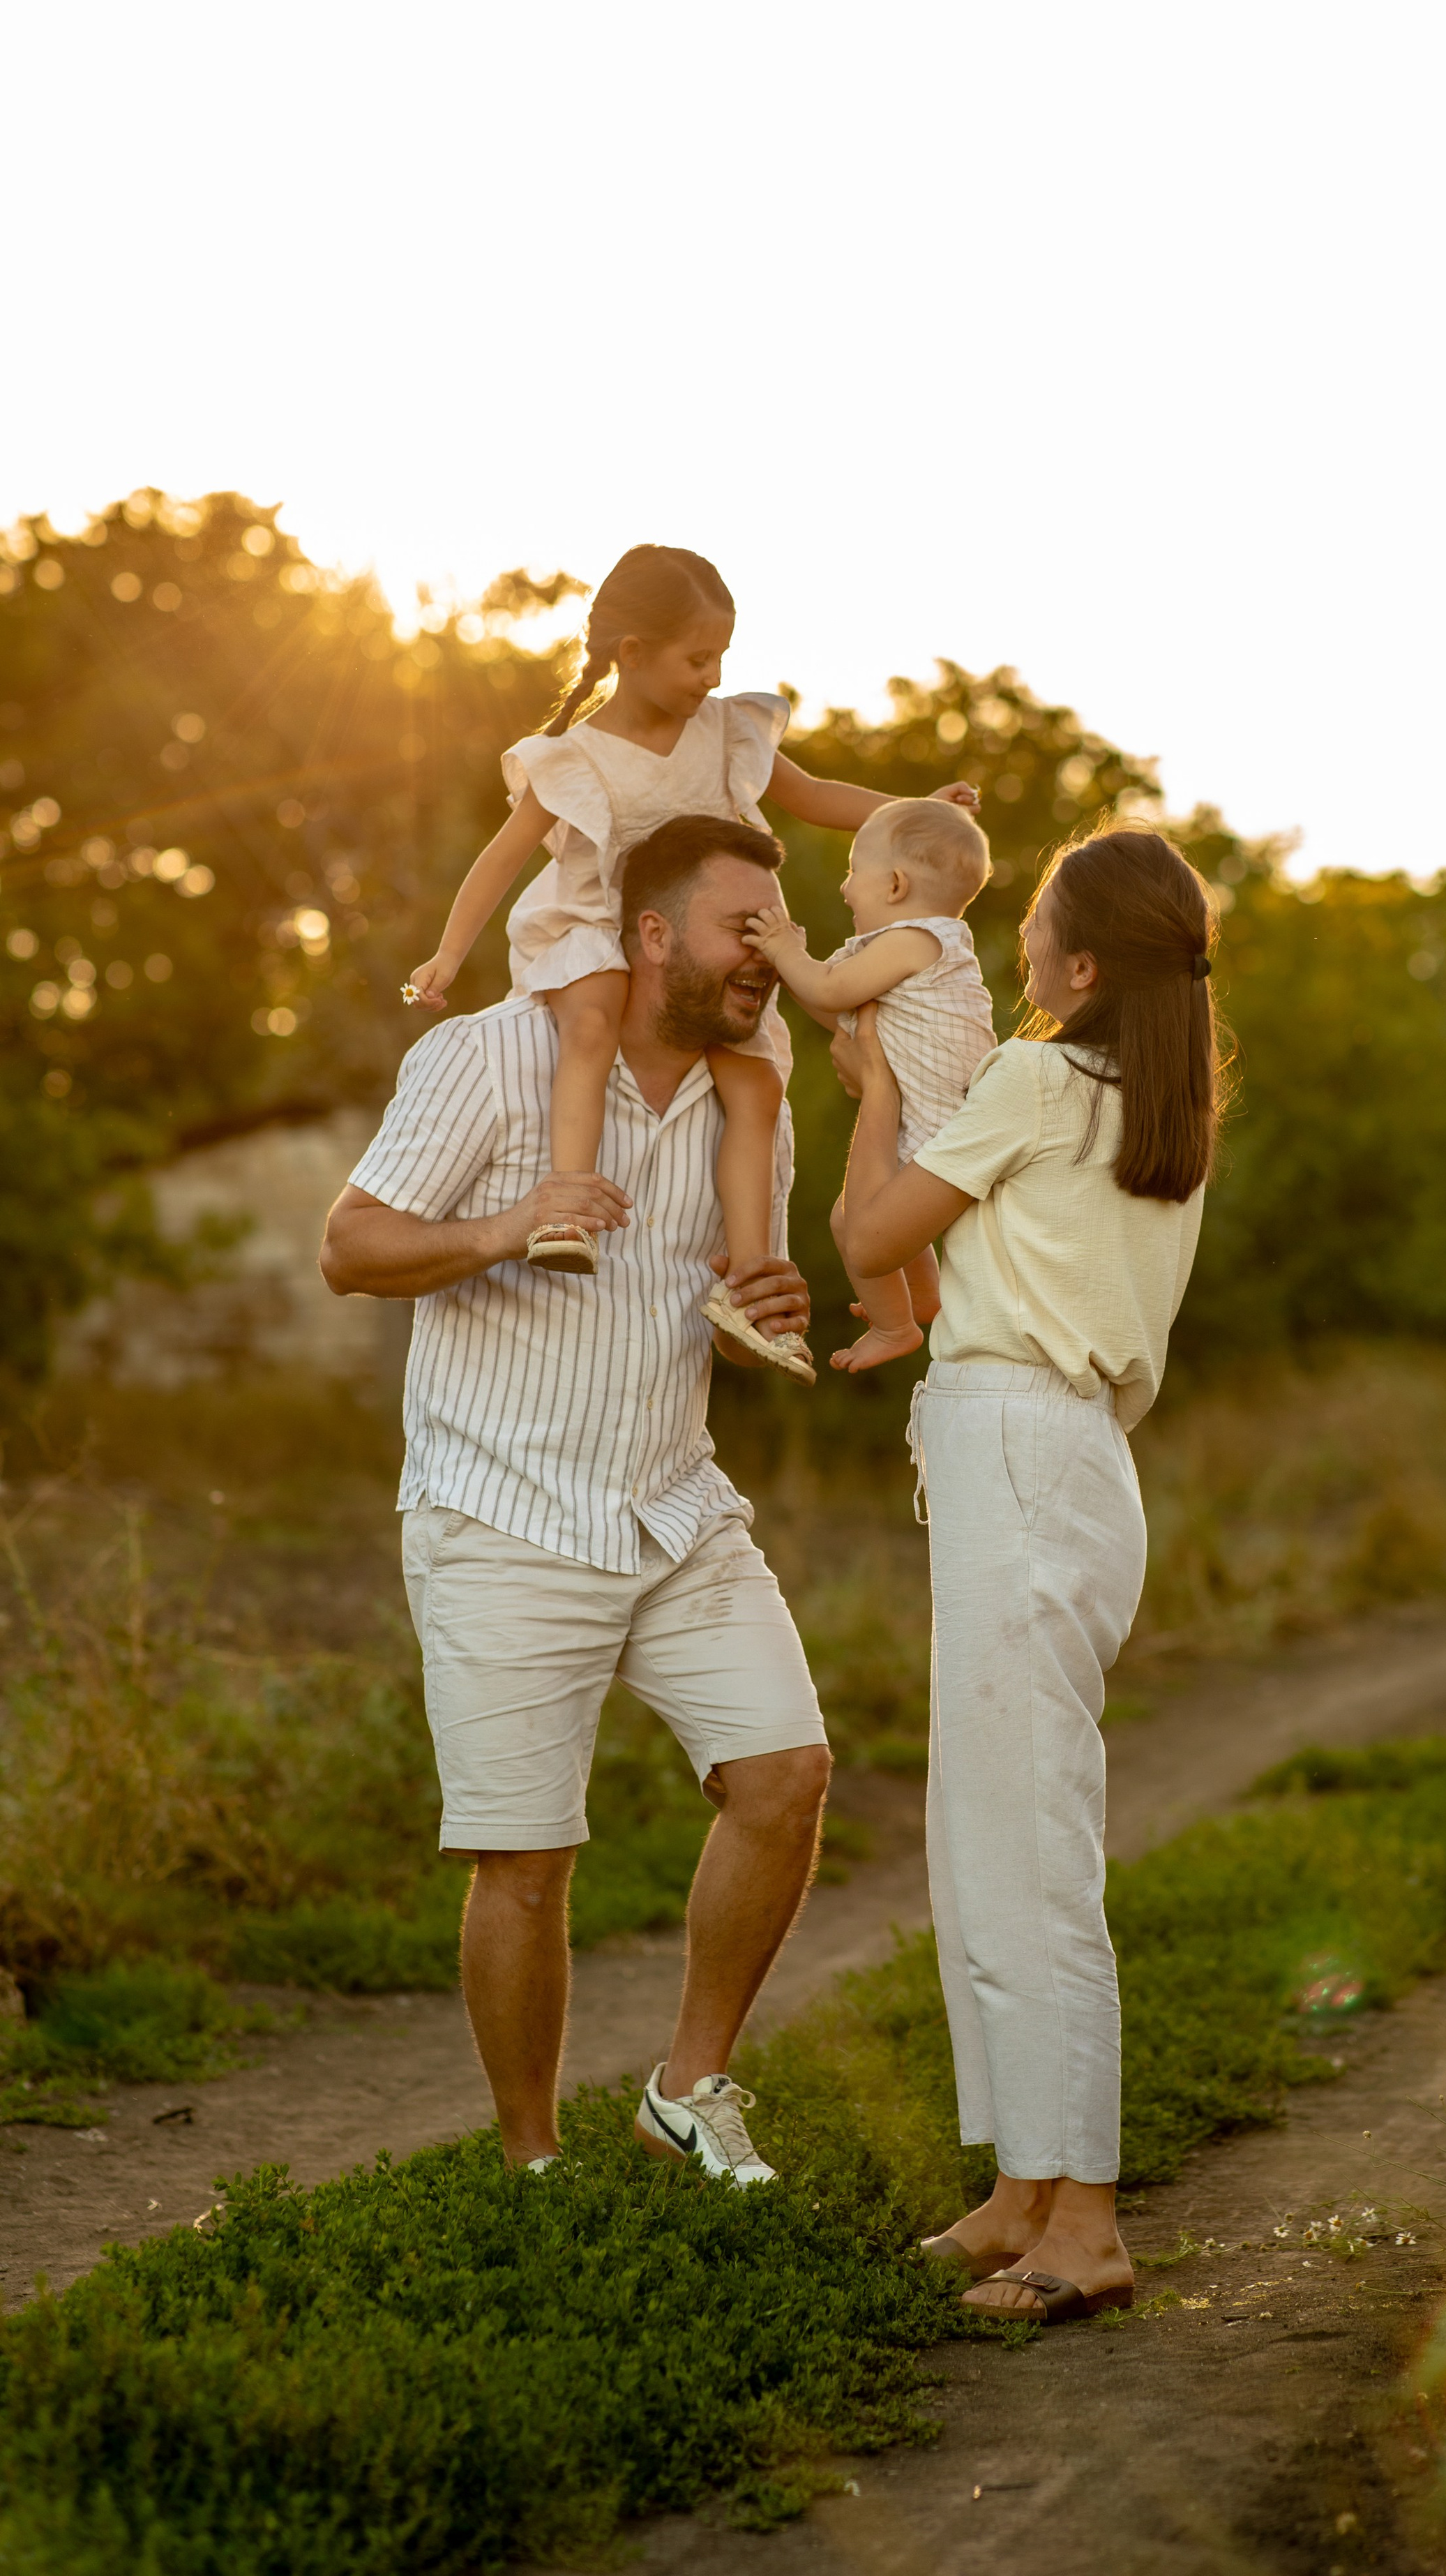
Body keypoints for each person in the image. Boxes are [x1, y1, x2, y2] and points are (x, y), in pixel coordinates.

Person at [321, 814, 836, 2183]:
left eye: (777, 936)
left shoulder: (753, 1086)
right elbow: (350, 1247)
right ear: (651, 934)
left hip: (674, 1505)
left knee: (784, 1776)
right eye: (745, 931)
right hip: (499, 1511)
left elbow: (726, 1286)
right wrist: (505, 1225)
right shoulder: (491, 1054)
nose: (768, 958)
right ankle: (530, 2166)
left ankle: (685, 2087)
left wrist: (764, 1298)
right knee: (525, 1863)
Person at [834, 825, 1226, 2320]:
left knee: (1028, 1841)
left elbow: (867, 1231)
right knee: (979, 1826)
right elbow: (972, 1263)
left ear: (1073, 967)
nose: (1010, 958)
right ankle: (1019, 2187)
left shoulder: (1035, 1080)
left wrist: (874, 1096)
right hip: (1063, 1464)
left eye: (1030, 936)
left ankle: (1086, 2225)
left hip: (1020, 1452)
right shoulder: (1153, 1114)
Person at [404, 542, 977, 1378]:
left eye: (722, 657)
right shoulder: (575, 756)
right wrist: (448, 955)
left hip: (716, 940)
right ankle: (567, 1203)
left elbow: (815, 797)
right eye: (696, 657)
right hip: (605, 927)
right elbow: (501, 860)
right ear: (632, 655)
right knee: (593, 1016)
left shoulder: (725, 731)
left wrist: (920, 810)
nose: (711, 675)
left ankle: (748, 1277)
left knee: (756, 1085)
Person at [744, 797, 997, 1371]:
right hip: (944, 1120)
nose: (844, 887)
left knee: (848, 1220)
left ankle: (895, 1325)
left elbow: (832, 992)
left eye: (855, 870)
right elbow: (839, 1012)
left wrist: (787, 950)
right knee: (881, 1214)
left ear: (896, 884)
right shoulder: (924, 952)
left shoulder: (911, 943)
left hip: (937, 1120)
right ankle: (926, 1296)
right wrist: (788, 967)